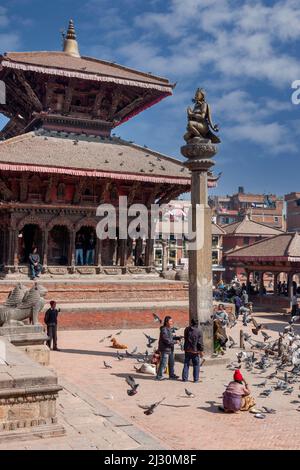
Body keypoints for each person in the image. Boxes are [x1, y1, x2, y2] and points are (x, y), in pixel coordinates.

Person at [156, 316, 180, 381]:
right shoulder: (164, 329)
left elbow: (170, 338)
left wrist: (178, 338)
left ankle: (171, 375)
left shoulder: (169, 328)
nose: (172, 322)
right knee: (163, 363)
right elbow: (166, 340)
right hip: (165, 349)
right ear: (166, 322)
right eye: (170, 321)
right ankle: (159, 376)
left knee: (171, 363)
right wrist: (175, 342)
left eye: (172, 321)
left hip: (170, 348)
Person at [182, 318, 204, 383]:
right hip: (195, 350)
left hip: (187, 349)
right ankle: (196, 379)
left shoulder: (186, 329)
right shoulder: (199, 331)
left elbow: (185, 338)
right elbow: (200, 343)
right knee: (196, 365)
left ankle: (185, 378)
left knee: (186, 364)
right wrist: (201, 351)